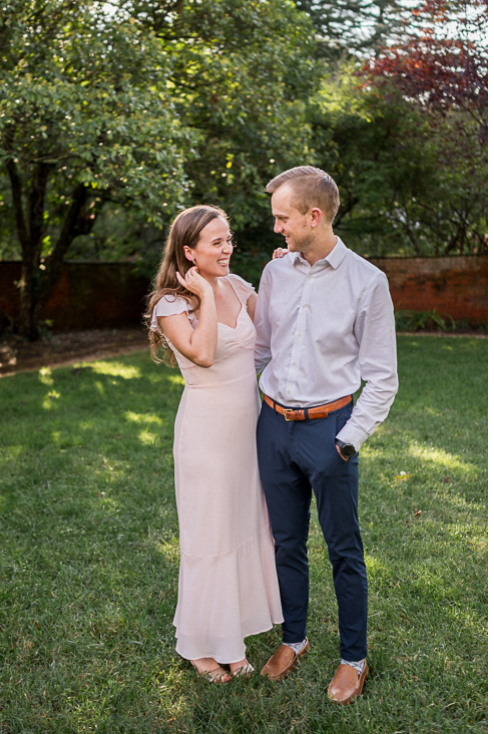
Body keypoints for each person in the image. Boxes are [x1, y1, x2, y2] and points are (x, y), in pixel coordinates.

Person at [253, 166, 398, 704]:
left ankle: (353, 658)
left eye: (282, 218)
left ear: (314, 217)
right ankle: (294, 638)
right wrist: (258, 413)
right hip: (273, 426)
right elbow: (263, 349)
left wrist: (348, 438)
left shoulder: (367, 282)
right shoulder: (275, 274)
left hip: (329, 432)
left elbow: (382, 376)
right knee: (286, 542)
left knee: (343, 549)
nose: (277, 229)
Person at [146, 205, 283, 684]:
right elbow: (203, 355)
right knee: (210, 537)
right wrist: (203, 294)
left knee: (242, 529)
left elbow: (268, 342)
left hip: (249, 431)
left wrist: (283, 274)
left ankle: (232, 637)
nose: (227, 250)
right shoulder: (171, 305)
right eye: (216, 243)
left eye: (229, 241)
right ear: (189, 252)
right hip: (206, 434)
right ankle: (201, 647)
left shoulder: (240, 286)